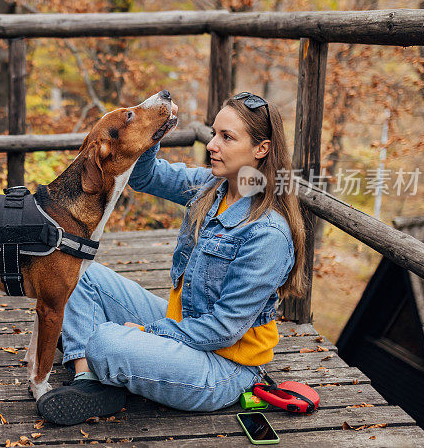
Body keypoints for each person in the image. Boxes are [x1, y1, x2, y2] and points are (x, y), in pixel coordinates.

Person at [36, 92, 307, 425]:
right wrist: (155, 125)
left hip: (224, 366)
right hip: (183, 324)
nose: (211, 144)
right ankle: (89, 383)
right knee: (79, 273)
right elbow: (145, 175)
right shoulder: (211, 185)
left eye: (227, 137)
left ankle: (99, 358)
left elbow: (222, 330)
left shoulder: (267, 234)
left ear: (261, 149)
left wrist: (149, 332)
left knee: (105, 341)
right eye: (213, 133)